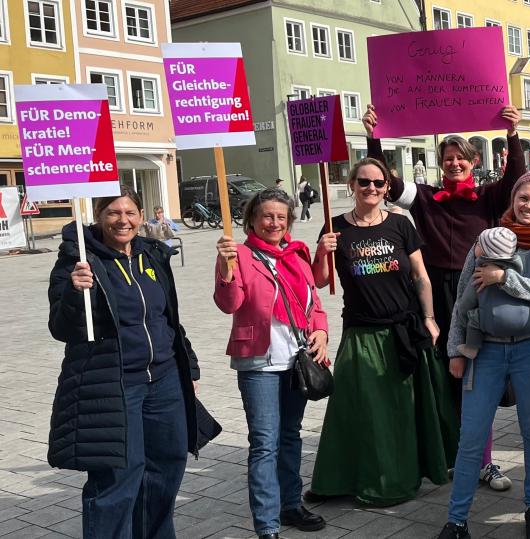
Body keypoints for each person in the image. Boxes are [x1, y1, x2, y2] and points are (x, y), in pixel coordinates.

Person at [360, 103, 526, 490]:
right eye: (448, 158)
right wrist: (373, 137)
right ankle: (449, 455)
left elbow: (515, 179)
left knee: (476, 379)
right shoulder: (424, 197)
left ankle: (484, 461)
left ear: (473, 162)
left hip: (476, 293)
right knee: (443, 378)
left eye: (460, 158)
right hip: (433, 297)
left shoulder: (487, 196)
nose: (454, 164)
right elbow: (387, 182)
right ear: (440, 163)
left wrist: (513, 134)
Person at [48, 186, 215, 538]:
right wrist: (75, 293)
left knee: (167, 466)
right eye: (113, 212)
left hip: (165, 380)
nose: (122, 220)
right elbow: (61, 328)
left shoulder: (151, 254)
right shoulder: (77, 260)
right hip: (115, 382)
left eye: (130, 212)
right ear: (99, 216)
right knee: (117, 478)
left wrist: (189, 366)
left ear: (141, 216)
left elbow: (167, 317)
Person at [306, 157, 458, 506]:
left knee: (402, 408)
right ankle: (343, 479)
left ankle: (399, 476)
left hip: (403, 331)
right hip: (361, 333)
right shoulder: (334, 226)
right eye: (364, 182)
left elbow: (420, 276)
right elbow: (320, 281)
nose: (371, 188)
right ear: (352, 185)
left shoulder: (400, 224)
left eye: (378, 182)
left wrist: (430, 317)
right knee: (357, 409)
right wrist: (321, 251)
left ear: (387, 187)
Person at [439, 172, 530, 539]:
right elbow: (462, 300)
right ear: (512, 199)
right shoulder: (484, 243)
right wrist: (455, 349)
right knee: (471, 436)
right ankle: (457, 520)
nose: (528, 206)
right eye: (523, 198)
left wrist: (503, 278)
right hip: (485, 352)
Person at [214, 189, 330, 539]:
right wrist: (226, 269)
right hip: (258, 363)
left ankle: (291, 504)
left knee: (290, 435)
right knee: (265, 442)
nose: (274, 223)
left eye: (281, 217)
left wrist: (321, 331)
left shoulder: (297, 254)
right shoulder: (239, 254)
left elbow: (313, 301)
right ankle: (267, 524)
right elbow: (230, 304)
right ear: (252, 219)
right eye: (267, 216)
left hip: (297, 360)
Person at [454, 227, 530, 360]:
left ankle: (471, 348)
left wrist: (464, 320)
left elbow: (465, 303)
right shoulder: (520, 268)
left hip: (490, 323)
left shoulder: (480, 274)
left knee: (474, 319)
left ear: (486, 251)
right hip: (528, 321)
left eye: (478, 244)